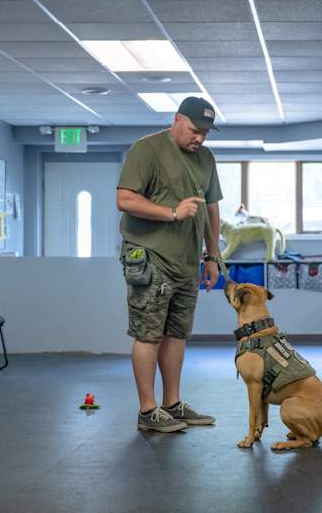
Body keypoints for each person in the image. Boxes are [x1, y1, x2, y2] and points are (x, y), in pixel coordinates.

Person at [116, 96, 222, 432]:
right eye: (195, 130)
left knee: (176, 334)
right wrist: (172, 213)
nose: (200, 138)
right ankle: (147, 411)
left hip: (187, 261)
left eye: (205, 132)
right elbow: (125, 199)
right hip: (151, 256)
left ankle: (172, 405)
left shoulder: (206, 158)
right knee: (149, 334)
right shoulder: (147, 150)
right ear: (177, 120)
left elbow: (211, 209)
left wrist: (212, 255)